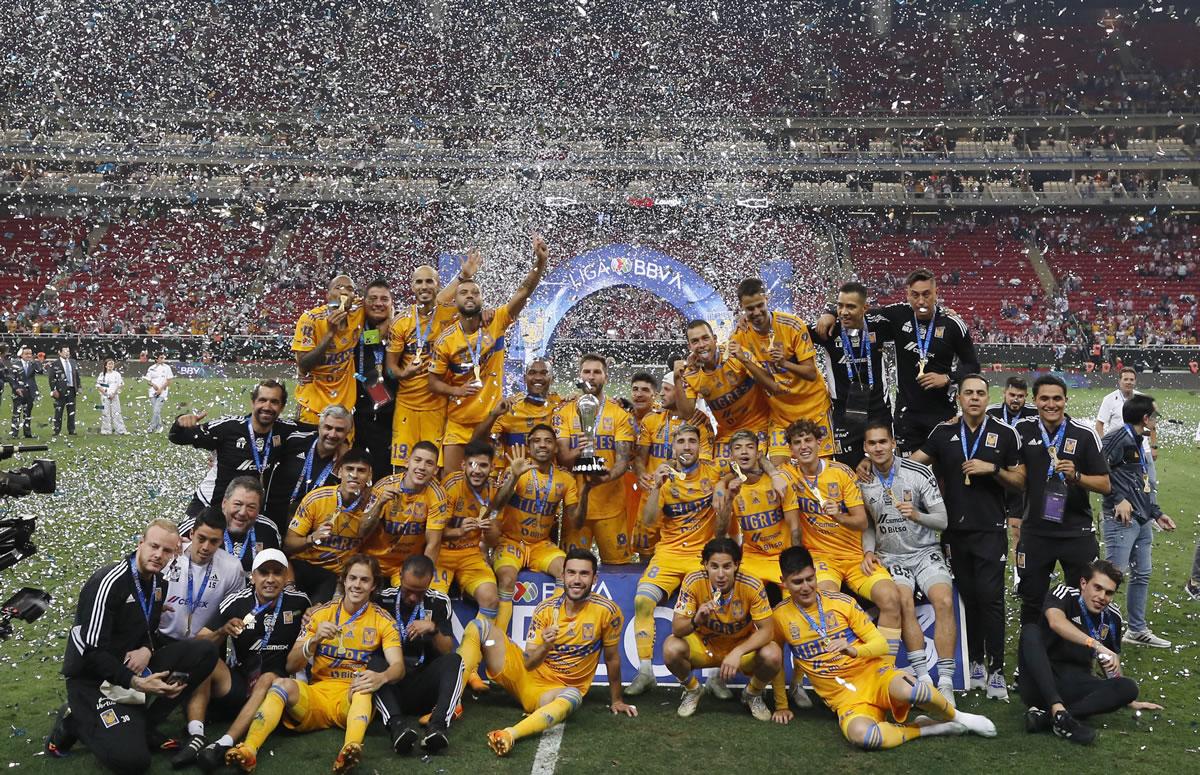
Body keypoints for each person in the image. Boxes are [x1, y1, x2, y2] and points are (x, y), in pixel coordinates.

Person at [773, 546, 997, 750]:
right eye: (797, 582)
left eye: (810, 579)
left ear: (815, 573)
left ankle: (960, 718)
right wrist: (781, 705)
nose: (806, 587)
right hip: (845, 699)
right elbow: (777, 661)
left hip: (874, 676)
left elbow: (880, 644)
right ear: (783, 582)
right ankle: (928, 728)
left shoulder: (840, 602)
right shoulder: (780, 616)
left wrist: (855, 650)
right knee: (864, 737)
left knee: (913, 690)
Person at [47, 519, 219, 774]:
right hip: (92, 680)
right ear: (140, 544)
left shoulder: (159, 584)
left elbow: (147, 632)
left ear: (174, 554)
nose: (159, 555)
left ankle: (144, 726)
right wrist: (136, 682)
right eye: (154, 546)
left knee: (205, 652)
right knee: (134, 762)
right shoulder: (109, 582)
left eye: (167, 551)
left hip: (128, 670)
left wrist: (147, 649)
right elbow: (92, 652)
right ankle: (74, 720)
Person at [225, 554, 405, 774]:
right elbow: (291, 664)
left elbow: (398, 666)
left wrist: (382, 677)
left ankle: (350, 749)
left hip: (350, 699)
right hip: (317, 695)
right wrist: (314, 640)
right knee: (281, 684)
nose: (357, 585)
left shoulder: (383, 620)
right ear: (344, 581)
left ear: (373, 585)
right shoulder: (320, 614)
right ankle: (249, 750)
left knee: (364, 685)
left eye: (364, 580)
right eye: (353, 578)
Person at [910, 375, 1025, 699]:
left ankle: (997, 669)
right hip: (953, 531)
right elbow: (913, 464)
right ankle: (975, 661)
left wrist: (994, 470)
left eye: (980, 393)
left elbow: (1021, 481)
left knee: (991, 599)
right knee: (969, 598)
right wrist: (872, 464)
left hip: (990, 529)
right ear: (958, 398)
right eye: (968, 393)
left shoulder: (1005, 433)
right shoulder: (944, 433)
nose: (974, 398)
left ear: (989, 397)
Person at [467, 548, 636, 757]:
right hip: (523, 675)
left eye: (584, 574)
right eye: (571, 573)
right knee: (480, 628)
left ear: (594, 579)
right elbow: (528, 663)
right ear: (563, 575)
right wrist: (546, 645)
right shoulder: (545, 609)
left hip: (552, 693)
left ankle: (510, 734)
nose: (577, 579)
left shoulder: (607, 611)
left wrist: (617, 700)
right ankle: (448, 704)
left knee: (574, 696)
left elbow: (612, 658)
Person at [780, 419, 904, 663]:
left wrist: (838, 515)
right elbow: (755, 466)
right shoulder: (788, 474)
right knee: (824, 602)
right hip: (821, 559)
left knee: (891, 598)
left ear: (819, 443)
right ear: (791, 450)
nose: (804, 447)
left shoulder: (841, 472)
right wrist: (773, 474)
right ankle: (838, 670)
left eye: (808, 440)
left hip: (855, 557)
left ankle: (884, 671)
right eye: (797, 443)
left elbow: (861, 522)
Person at [816, 271, 980, 453]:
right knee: (908, 473)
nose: (921, 301)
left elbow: (973, 366)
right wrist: (830, 313)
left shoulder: (953, 324)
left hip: (942, 413)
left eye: (926, 294)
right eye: (915, 295)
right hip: (906, 416)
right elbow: (858, 310)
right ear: (907, 294)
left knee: (945, 473)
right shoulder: (897, 315)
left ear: (936, 293)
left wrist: (948, 378)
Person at [428, 235, 548, 474]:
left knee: (488, 488)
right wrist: (456, 390)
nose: (470, 295)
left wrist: (540, 263)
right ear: (456, 300)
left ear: (482, 299)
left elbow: (523, 292)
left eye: (475, 292)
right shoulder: (446, 340)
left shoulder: (496, 322)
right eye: (464, 293)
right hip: (457, 423)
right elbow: (433, 382)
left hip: (492, 421)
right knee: (452, 485)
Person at [627, 423, 730, 696]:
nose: (687, 446)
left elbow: (742, 469)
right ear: (672, 447)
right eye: (681, 442)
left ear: (700, 445)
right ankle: (645, 671)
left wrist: (721, 484)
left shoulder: (713, 470)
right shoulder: (664, 476)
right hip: (669, 554)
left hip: (701, 557)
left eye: (692, 441)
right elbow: (649, 521)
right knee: (642, 601)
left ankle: (716, 677)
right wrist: (654, 488)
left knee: (718, 605)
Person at [859, 423, 957, 705]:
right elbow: (867, 524)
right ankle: (923, 677)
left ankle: (947, 682)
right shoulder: (862, 480)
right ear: (865, 448)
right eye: (872, 444)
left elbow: (942, 520)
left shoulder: (919, 473)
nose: (878, 448)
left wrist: (916, 515)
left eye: (882, 442)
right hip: (891, 556)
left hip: (925, 551)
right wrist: (867, 551)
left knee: (944, 601)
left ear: (893, 444)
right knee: (903, 601)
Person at [1018, 561, 1162, 744]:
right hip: (1041, 681)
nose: (1102, 597)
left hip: (1075, 683)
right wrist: (1094, 644)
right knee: (1030, 631)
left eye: (1109, 593)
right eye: (1098, 588)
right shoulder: (1064, 594)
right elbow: (1055, 621)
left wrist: (1128, 699)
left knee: (1128, 687)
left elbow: (1109, 661)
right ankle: (1056, 709)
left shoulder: (1112, 617)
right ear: (1083, 584)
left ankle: (1051, 718)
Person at [191, 550, 310, 771]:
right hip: (240, 681)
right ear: (252, 576)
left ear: (286, 578)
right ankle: (195, 734)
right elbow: (200, 641)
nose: (270, 579)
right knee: (204, 657)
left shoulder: (300, 602)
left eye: (277, 573)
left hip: (277, 690)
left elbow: (314, 626)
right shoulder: (236, 602)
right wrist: (222, 632)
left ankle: (223, 743)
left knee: (267, 678)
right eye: (263, 573)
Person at [1014, 375, 1111, 626]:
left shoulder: (1085, 434)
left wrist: (1077, 476)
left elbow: (1105, 484)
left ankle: (1075, 660)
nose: (1051, 404)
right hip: (1036, 533)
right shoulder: (1021, 431)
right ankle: (1031, 661)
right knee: (1032, 602)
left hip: (1076, 534)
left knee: (1081, 603)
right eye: (1044, 398)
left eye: (1057, 398)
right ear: (1034, 401)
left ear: (1066, 400)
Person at [428, 440, 522, 692]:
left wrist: (490, 533)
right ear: (463, 465)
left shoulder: (493, 489)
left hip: (470, 556)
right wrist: (458, 531)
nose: (477, 470)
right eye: (472, 465)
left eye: (483, 465)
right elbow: (434, 532)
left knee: (491, 599)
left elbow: (492, 540)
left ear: (491, 467)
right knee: (434, 603)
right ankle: (436, 669)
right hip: (444, 555)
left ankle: (471, 667)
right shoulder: (450, 486)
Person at [666, 538, 788, 722]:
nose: (721, 574)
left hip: (740, 649)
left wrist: (738, 652)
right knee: (671, 648)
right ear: (705, 564)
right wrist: (696, 620)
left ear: (736, 565)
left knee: (773, 654)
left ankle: (752, 693)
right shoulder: (693, 580)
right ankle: (692, 689)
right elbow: (677, 629)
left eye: (727, 566)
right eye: (714, 566)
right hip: (705, 647)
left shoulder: (752, 584)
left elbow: (767, 631)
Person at [385, 255, 480, 470]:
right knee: (403, 468)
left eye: (430, 281)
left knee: (434, 468)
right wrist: (404, 373)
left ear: (438, 284)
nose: (424, 286)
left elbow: (473, 311)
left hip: (438, 405)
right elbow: (391, 368)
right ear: (411, 286)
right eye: (419, 282)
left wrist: (487, 313)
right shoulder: (401, 322)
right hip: (406, 406)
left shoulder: (451, 313)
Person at [491, 423, 583, 633]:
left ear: (556, 448)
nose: (543, 445)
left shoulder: (565, 478)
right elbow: (496, 506)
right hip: (510, 541)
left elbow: (575, 520)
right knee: (506, 578)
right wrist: (513, 476)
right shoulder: (515, 470)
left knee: (566, 571)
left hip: (541, 545)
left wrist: (587, 491)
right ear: (528, 447)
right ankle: (499, 640)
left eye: (548, 441)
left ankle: (551, 629)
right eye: (537, 441)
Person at [1100, 394, 1176, 648]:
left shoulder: (1137, 439)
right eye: (1154, 416)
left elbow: (1140, 482)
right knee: (1112, 576)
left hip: (1142, 520)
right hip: (1120, 518)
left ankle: (1136, 629)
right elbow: (1097, 467)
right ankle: (1096, 627)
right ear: (1145, 418)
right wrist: (1118, 498)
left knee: (1142, 574)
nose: (1156, 420)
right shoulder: (1117, 437)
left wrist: (1156, 512)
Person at [733, 277, 834, 462]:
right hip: (781, 415)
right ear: (741, 307)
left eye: (759, 305)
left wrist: (785, 363)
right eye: (749, 309)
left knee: (819, 473)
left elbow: (811, 373)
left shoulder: (792, 325)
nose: (756, 312)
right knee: (779, 474)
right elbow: (764, 382)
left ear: (767, 299)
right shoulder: (740, 335)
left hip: (814, 409)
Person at [373, 555, 466, 756]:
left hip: (424, 685)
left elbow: (447, 649)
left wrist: (433, 629)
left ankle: (438, 725)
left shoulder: (439, 602)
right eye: (408, 591)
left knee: (455, 661)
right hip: (392, 684)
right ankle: (397, 727)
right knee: (372, 661)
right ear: (399, 577)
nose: (413, 597)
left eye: (419, 592)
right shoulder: (382, 599)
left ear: (430, 582)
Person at [169, 379, 298, 520]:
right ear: (253, 402)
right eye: (262, 400)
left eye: (274, 402)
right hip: (209, 505)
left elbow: (319, 431)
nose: (267, 406)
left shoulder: (286, 430)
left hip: (245, 512)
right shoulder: (228, 428)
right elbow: (177, 437)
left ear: (282, 407)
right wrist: (180, 423)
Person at [555, 353, 636, 564]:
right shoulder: (565, 411)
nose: (591, 377)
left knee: (619, 569)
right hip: (575, 506)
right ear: (579, 375)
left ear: (606, 377)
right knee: (572, 567)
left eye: (597, 372)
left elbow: (623, 460)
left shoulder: (619, 414)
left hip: (611, 506)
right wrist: (577, 451)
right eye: (587, 372)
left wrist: (606, 477)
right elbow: (563, 457)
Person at [632, 370, 715, 559]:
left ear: (681, 393)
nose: (661, 393)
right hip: (652, 495)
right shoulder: (652, 419)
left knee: (683, 552)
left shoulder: (701, 422)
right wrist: (641, 473)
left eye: (667, 389)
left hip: (685, 500)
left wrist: (668, 466)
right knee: (646, 554)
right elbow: (640, 457)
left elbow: (703, 462)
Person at [809, 282, 894, 468]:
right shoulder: (828, 331)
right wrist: (829, 312)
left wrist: (944, 313)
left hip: (878, 411)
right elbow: (792, 332)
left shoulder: (879, 325)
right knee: (848, 471)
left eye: (851, 306)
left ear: (865, 308)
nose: (844, 312)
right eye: (840, 305)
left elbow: (911, 316)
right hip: (844, 414)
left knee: (884, 468)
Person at [283, 449, 379, 602]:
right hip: (305, 566)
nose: (354, 475)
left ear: (370, 475)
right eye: (349, 469)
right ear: (339, 472)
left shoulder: (376, 504)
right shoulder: (316, 499)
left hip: (338, 576)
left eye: (361, 471)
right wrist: (311, 538)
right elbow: (288, 544)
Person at [674, 319, 778, 459]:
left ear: (715, 339)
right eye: (695, 341)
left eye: (705, 338)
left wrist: (745, 360)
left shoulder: (735, 354)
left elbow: (771, 385)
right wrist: (677, 380)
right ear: (690, 346)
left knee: (753, 467)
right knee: (718, 477)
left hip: (761, 426)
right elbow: (686, 414)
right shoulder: (690, 373)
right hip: (728, 433)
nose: (702, 345)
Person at [715, 429, 798, 596]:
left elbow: (794, 526)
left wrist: (796, 561)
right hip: (753, 558)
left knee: (796, 604)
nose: (744, 451)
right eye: (738, 448)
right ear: (731, 456)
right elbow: (719, 533)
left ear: (758, 453)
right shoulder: (730, 487)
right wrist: (729, 499)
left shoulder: (779, 480)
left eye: (749, 447)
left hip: (784, 555)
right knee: (736, 599)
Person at [362, 440, 449, 585]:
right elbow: (362, 530)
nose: (422, 467)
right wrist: (379, 504)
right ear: (407, 462)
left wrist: (423, 580)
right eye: (417, 460)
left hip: (405, 567)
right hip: (372, 561)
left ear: (435, 470)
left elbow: (433, 544)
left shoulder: (438, 495)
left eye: (429, 463)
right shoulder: (384, 486)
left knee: (409, 600)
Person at [265, 403, 353, 531]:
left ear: (347, 432)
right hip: (273, 523)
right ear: (319, 426)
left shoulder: (347, 463)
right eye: (328, 427)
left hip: (310, 533)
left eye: (339, 430)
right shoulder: (294, 440)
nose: (332, 434)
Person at [471, 357, 562, 480]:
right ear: (524, 378)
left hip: (549, 480)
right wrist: (493, 415)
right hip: (513, 480)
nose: (538, 378)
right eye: (532, 373)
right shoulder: (509, 408)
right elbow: (477, 442)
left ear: (552, 379)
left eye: (544, 373)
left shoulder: (561, 406)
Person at [291, 274, 365, 425]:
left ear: (354, 296)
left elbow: (384, 301)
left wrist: (387, 322)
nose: (344, 293)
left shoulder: (359, 312)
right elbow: (304, 366)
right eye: (338, 288)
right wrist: (330, 334)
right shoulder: (310, 319)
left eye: (349, 289)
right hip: (312, 407)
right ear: (328, 295)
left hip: (344, 409)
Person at [986, 376, 1037, 579]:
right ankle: (991, 569)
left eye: (1020, 396)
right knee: (992, 530)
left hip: (1018, 481)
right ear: (1004, 394)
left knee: (1018, 531)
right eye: (1012, 395)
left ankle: (1019, 575)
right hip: (995, 480)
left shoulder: (1034, 414)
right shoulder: (991, 412)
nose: (1016, 400)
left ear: (1026, 397)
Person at [179, 476, 282, 576]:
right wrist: (180, 545)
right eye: (237, 504)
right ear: (224, 503)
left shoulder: (269, 530)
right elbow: (169, 541)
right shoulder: (202, 523)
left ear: (259, 510)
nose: (242, 512)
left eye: (251, 507)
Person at [353, 279, 397, 478]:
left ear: (391, 303)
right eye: (373, 298)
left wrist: (392, 323)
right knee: (352, 470)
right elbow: (370, 338)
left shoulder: (401, 327)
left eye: (384, 299)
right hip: (355, 414)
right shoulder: (354, 325)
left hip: (389, 417)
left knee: (383, 475)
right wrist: (386, 324)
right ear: (363, 302)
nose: (378, 303)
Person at [1096, 367, 1158, 495]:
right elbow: (1099, 424)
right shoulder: (1109, 399)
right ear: (1119, 381)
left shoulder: (1142, 398)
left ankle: (1150, 513)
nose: (1128, 382)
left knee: (1150, 482)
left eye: (1131, 379)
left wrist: (1154, 446)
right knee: (1121, 485)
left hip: (1142, 448)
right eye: (1125, 379)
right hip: (1120, 451)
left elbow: (1152, 424)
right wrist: (1104, 447)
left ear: (1135, 381)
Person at [47, 344, 81, 436]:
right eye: (65, 351)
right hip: (60, 390)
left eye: (68, 351)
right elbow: (51, 378)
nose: (67, 353)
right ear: (59, 352)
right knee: (58, 411)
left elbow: (77, 375)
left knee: (71, 411)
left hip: (72, 389)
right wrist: (54, 390)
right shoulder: (54, 364)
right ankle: (56, 430)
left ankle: (72, 430)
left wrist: (79, 387)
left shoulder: (73, 362)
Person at [9, 345, 42, 438]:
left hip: (30, 391)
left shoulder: (33, 364)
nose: (28, 356)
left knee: (28, 412)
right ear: (21, 355)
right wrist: (16, 388)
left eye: (30, 354)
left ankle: (27, 433)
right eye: (26, 354)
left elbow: (40, 371)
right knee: (17, 412)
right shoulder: (16, 364)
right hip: (19, 391)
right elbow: (12, 379)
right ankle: (14, 433)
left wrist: (38, 362)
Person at [96, 358, 128, 435]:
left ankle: (120, 430)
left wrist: (113, 394)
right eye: (109, 364)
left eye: (112, 364)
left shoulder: (117, 374)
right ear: (106, 365)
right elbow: (98, 386)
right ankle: (106, 430)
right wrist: (106, 394)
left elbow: (120, 385)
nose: (110, 365)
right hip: (105, 396)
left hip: (114, 395)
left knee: (116, 412)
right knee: (105, 412)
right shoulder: (102, 375)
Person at [145, 353, 174, 433]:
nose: (163, 359)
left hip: (163, 392)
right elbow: (148, 380)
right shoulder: (151, 368)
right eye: (161, 358)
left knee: (156, 410)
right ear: (156, 359)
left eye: (163, 357)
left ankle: (151, 427)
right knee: (156, 411)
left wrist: (160, 389)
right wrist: (153, 385)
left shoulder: (167, 368)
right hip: (152, 392)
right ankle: (159, 427)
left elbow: (169, 381)